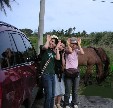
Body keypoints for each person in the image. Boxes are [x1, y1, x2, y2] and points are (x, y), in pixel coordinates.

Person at [41, 35, 61, 108]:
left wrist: (57, 48)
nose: (51, 43)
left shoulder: (52, 52)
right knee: (48, 95)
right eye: (51, 41)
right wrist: (48, 40)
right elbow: (45, 47)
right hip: (46, 75)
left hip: (52, 75)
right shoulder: (44, 49)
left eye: (53, 42)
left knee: (52, 95)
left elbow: (58, 58)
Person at [64, 37, 84, 108]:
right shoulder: (66, 50)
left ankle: (74, 102)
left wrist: (79, 44)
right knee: (67, 90)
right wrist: (68, 44)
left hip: (76, 73)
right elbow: (70, 51)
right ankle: (66, 104)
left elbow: (82, 52)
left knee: (75, 90)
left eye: (75, 44)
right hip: (68, 72)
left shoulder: (77, 51)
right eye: (72, 43)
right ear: (70, 43)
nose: (74, 45)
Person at [54, 40, 66, 108]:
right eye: (60, 45)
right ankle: (53, 104)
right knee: (55, 89)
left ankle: (58, 103)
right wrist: (57, 48)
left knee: (61, 89)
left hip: (60, 74)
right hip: (55, 73)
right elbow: (57, 59)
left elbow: (63, 64)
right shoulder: (55, 51)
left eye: (62, 46)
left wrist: (63, 55)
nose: (61, 47)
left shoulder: (62, 53)